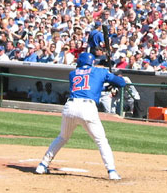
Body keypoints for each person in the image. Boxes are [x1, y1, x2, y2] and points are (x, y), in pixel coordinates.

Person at [35, 52, 126, 180]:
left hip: (70, 107)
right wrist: (114, 78)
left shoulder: (73, 74)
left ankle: (42, 164)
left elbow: (90, 87)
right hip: (87, 108)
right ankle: (111, 171)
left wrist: (108, 83)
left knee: (62, 137)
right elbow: (122, 83)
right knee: (101, 141)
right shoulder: (100, 72)